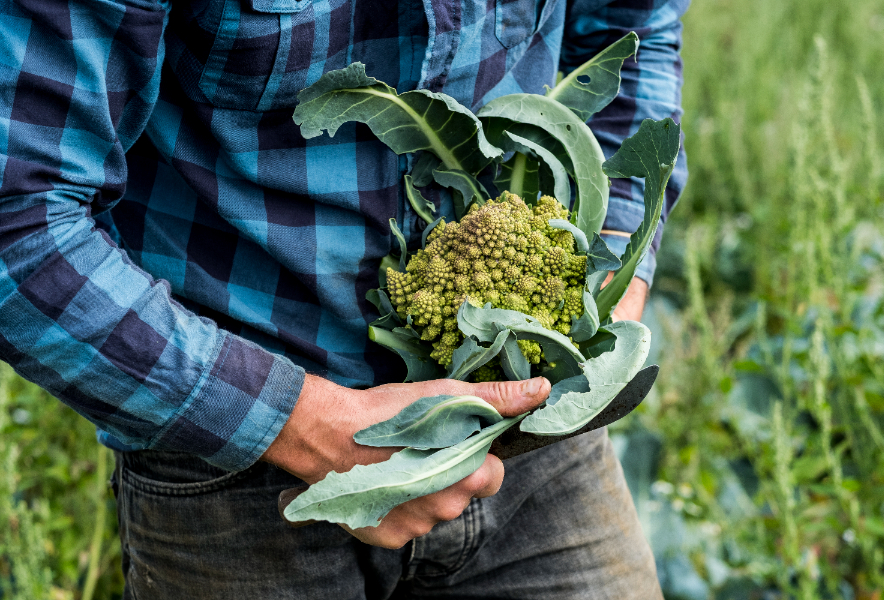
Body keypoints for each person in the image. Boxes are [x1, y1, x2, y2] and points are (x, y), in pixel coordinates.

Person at [0, 0, 688, 597]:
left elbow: (632, 30)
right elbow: (19, 224)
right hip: (241, 471)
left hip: (533, 444)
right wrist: (308, 428)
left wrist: (609, 274)